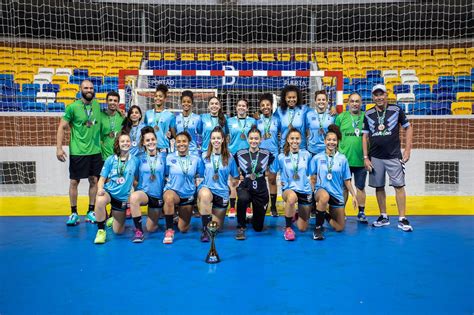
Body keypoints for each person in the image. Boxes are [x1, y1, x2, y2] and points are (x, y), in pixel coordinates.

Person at [362, 84, 414, 232]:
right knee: (379, 187)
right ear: (373, 97)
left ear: (386, 95)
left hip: (393, 156)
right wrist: (366, 157)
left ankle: (402, 218)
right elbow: (364, 136)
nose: (379, 97)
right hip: (375, 157)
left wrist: (408, 150)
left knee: (399, 186)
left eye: (381, 94)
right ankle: (383, 216)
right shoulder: (368, 113)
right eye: (376, 95)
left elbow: (408, 128)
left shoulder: (396, 110)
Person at [56, 80, 101, 226]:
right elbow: (62, 127)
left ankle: (91, 211)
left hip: (95, 151)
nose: (89, 90)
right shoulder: (72, 107)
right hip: (78, 151)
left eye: (91, 88)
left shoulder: (97, 105)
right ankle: (74, 213)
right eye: (86, 88)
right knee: (74, 181)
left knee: (94, 181)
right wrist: (59, 148)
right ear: (80, 90)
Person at [310, 125, 358, 240]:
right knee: (324, 196)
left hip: (336, 193)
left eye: (334, 140)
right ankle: (318, 228)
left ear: (337, 142)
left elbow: (347, 180)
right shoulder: (317, 158)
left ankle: (323, 214)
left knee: (339, 227)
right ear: (325, 141)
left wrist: (354, 195)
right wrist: (312, 196)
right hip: (321, 191)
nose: (331, 142)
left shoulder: (342, 159)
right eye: (329, 140)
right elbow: (312, 178)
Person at [93, 132, 139, 244]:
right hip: (109, 193)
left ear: (131, 143)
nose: (125, 143)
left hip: (122, 198)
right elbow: (102, 179)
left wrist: (134, 196)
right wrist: (100, 189)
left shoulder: (135, 160)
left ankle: (112, 218)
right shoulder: (110, 159)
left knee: (118, 231)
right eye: (122, 141)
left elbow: (136, 180)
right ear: (118, 143)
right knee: (99, 200)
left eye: (127, 141)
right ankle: (101, 231)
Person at [197, 126, 239, 241]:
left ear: (223, 140)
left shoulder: (229, 157)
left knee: (216, 228)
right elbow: (200, 175)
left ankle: (209, 220)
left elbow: (236, 176)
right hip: (207, 188)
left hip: (222, 193)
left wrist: (232, 186)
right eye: (213, 138)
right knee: (205, 195)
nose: (216, 140)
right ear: (210, 140)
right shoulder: (204, 156)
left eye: (218, 138)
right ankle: (204, 230)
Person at [234, 126, 276, 240]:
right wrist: (237, 177)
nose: (254, 141)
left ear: (261, 139)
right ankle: (241, 226)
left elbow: (275, 165)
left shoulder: (267, 154)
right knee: (242, 198)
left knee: (258, 227)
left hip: (260, 190)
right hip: (246, 187)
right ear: (247, 139)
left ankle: (252, 219)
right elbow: (231, 166)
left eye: (256, 138)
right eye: (251, 138)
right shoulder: (239, 154)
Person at [162, 132, 204, 244]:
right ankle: (169, 229)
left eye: (184, 141)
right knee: (169, 197)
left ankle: (176, 217)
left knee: (183, 229)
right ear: (175, 143)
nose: (181, 144)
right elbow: (165, 174)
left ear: (189, 143)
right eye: (178, 141)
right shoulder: (169, 157)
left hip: (188, 195)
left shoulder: (196, 159)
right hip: (173, 191)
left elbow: (201, 175)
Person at [272, 129, 313, 241]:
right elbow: (272, 171)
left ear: (301, 140)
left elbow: (310, 173)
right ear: (288, 140)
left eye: (297, 138)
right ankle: (288, 228)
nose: (295, 141)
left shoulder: (307, 155)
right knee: (291, 198)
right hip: (289, 190)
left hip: (304, 190)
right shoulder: (281, 157)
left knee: (303, 228)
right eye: (292, 138)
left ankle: (294, 216)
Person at [128, 127, 166, 243]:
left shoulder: (164, 158)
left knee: (151, 228)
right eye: (147, 140)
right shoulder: (138, 159)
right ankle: (139, 231)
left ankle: (166, 216)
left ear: (156, 140)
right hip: (144, 193)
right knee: (134, 197)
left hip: (157, 196)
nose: (151, 142)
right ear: (143, 143)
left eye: (153, 139)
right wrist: (139, 188)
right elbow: (133, 178)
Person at [335, 92, 368, 223]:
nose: (355, 103)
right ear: (348, 103)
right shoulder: (340, 117)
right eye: (352, 101)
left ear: (361, 103)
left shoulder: (366, 117)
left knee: (360, 187)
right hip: (344, 161)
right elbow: (334, 137)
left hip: (361, 160)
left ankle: (361, 212)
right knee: (343, 188)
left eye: (357, 101)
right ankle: (341, 212)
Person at [227, 98, 256, 219]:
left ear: (247, 108)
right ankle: (232, 207)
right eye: (239, 105)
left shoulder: (252, 121)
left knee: (247, 181)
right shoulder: (230, 121)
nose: (241, 108)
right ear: (236, 107)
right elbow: (226, 137)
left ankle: (248, 206)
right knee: (234, 181)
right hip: (233, 153)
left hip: (247, 154)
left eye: (244, 106)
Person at [255, 93, 281, 217]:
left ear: (271, 107)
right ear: (260, 107)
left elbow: (282, 135)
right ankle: (260, 204)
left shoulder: (277, 120)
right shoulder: (257, 119)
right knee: (259, 180)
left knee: (272, 179)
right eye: (263, 105)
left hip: (274, 153)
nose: (265, 107)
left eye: (268, 105)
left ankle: (273, 206)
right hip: (260, 154)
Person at [144, 84, 176, 156]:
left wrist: (170, 136)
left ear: (165, 99)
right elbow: (145, 132)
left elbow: (173, 136)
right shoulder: (148, 114)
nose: (158, 98)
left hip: (164, 150)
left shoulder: (170, 115)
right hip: (150, 149)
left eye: (160, 96)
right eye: (156, 96)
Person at [276, 85, 308, 151]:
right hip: (284, 148)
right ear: (285, 98)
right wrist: (259, 114)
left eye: (294, 97)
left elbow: (318, 113)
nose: (291, 100)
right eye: (289, 97)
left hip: (301, 148)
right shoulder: (279, 111)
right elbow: (269, 120)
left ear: (297, 98)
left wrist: (332, 109)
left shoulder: (304, 109)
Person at [306, 90, 335, 156]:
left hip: (327, 150)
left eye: (323, 99)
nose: (321, 101)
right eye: (319, 99)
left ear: (327, 102)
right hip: (312, 150)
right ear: (315, 102)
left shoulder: (332, 115)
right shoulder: (309, 115)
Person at [175, 90, 202, 156]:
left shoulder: (197, 118)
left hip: (193, 152)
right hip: (179, 151)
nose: (186, 103)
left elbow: (201, 134)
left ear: (192, 103)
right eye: (184, 102)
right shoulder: (176, 118)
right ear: (181, 103)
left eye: (189, 102)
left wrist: (199, 147)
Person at [99, 91, 124, 161]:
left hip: (119, 156)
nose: (112, 102)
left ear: (118, 103)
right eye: (110, 100)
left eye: (115, 101)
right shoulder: (100, 116)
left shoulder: (122, 117)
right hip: (103, 157)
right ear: (106, 101)